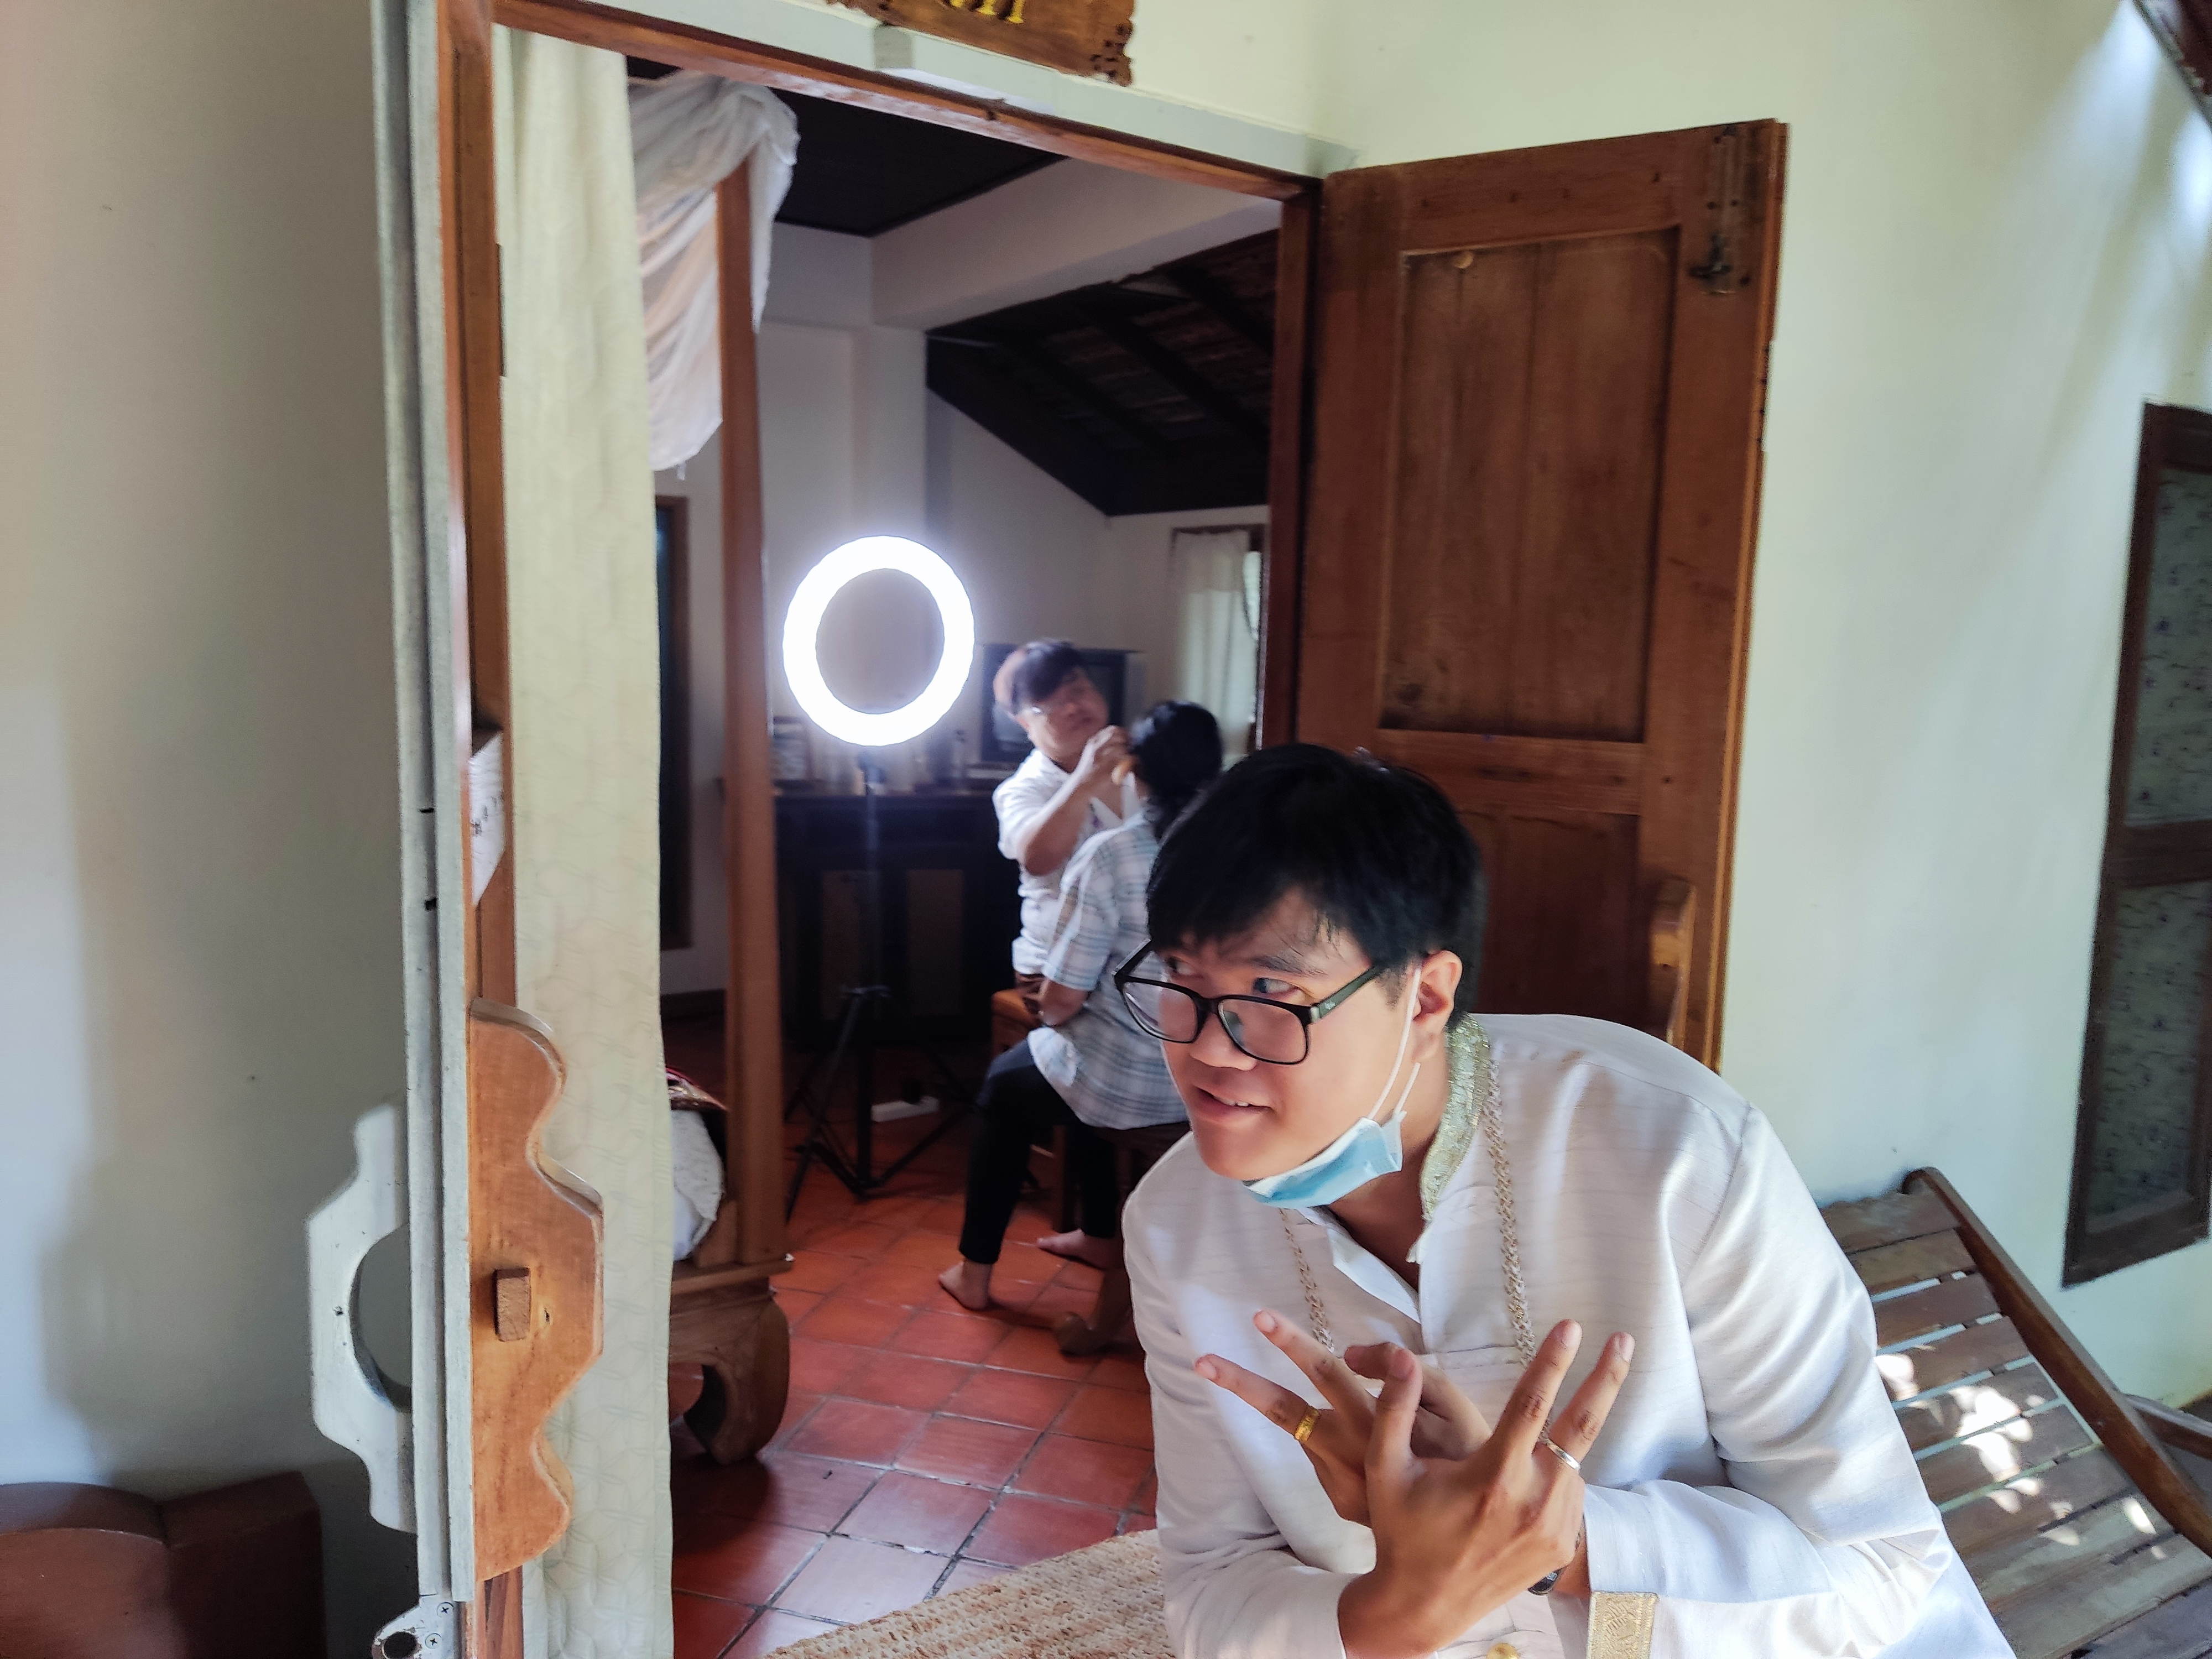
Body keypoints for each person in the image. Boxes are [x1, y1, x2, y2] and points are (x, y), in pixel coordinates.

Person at [1116, 745, 2007, 1659]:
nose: (1206, 1048)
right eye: (1182, 978)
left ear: (1424, 998)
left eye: (1271, 992)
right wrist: (1393, 1616)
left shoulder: (1674, 1150)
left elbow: (1880, 1568)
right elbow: (1211, 1580)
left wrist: (1560, 1550)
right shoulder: (1175, 1225)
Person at [941, 701, 1222, 1312]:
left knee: (1010, 1083)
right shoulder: (1241, 856)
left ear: (1132, 770)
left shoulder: (1112, 855)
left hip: (1134, 1084)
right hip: (1212, 1077)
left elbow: (1063, 998)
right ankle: (1097, 1235)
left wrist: (1055, 1011)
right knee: (1072, 1062)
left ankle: (974, 1273)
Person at [990, 640, 1140, 1003]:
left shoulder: (1141, 764)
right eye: (1050, 704)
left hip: (1136, 959)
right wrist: (1085, 780)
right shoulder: (1022, 789)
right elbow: (1037, 858)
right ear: (1024, 723)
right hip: (1056, 969)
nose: (1073, 707)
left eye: (1078, 690)